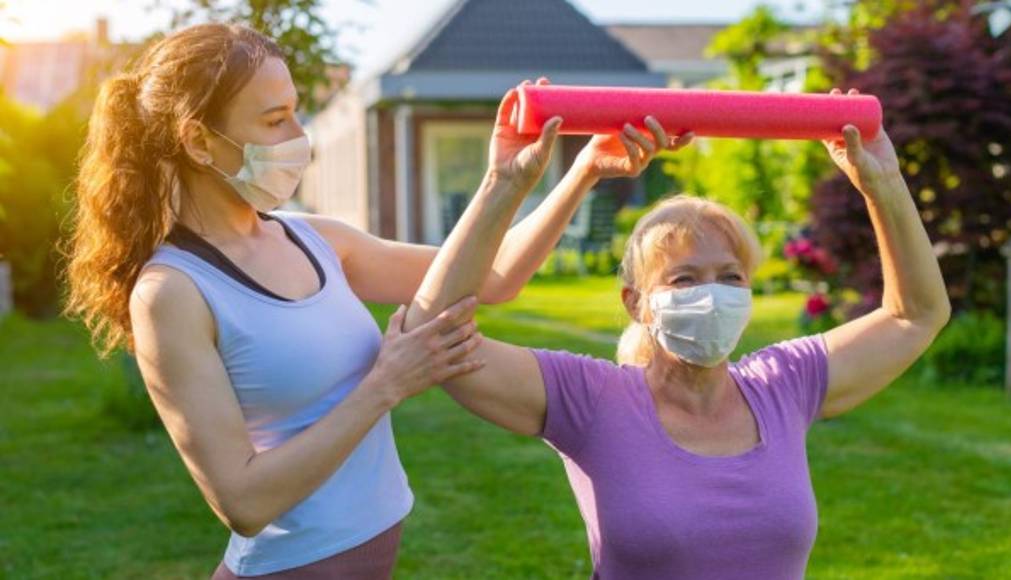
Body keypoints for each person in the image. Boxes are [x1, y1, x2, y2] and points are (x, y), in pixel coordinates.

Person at [62, 23, 690, 578]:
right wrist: (386, 384)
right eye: (275, 121)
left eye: (297, 113)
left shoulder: (313, 240)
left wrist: (575, 172)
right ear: (199, 142)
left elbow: (493, 275)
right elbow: (243, 502)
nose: (300, 137)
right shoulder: (172, 292)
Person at [399, 88, 952, 579]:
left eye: (730, 277)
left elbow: (916, 315)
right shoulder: (593, 400)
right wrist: (505, 182)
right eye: (684, 279)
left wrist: (883, 183)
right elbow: (432, 333)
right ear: (636, 303)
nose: (711, 294)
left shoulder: (785, 384)